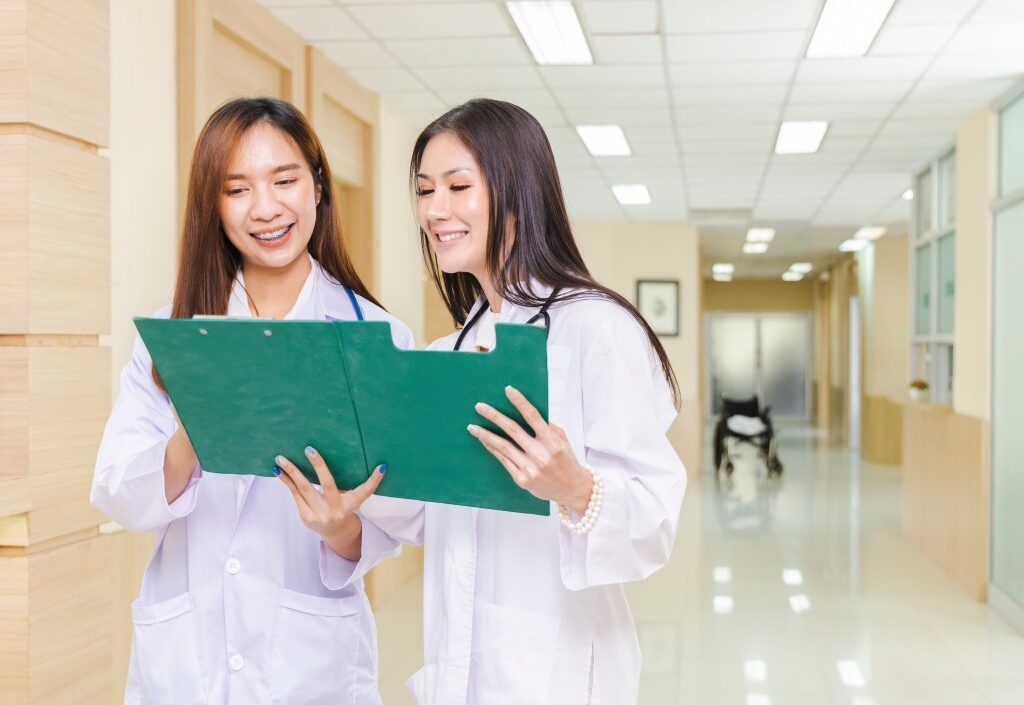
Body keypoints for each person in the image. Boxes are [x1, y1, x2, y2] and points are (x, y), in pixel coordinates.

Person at [352, 98, 687, 705]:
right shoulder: (450, 350)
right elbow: (431, 513)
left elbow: (654, 521)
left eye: (458, 186)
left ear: (518, 191)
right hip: (460, 668)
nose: (435, 210)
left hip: (560, 672)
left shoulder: (594, 327)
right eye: (426, 190)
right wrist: (359, 475)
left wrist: (575, 487)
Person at [91, 97, 412, 705]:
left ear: (317, 185)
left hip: (310, 664)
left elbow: (396, 520)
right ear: (213, 205)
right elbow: (119, 492)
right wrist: (196, 428)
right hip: (187, 662)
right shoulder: (171, 337)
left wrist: (341, 526)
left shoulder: (375, 337)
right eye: (237, 189)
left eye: (285, 180)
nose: (265, 208)